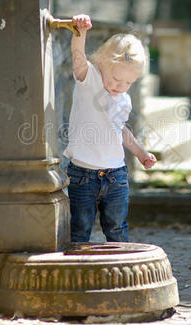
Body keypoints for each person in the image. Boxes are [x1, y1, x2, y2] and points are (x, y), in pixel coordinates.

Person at [64, 14, 157, 243]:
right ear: (102, 63)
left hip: (116, 176)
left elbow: (121, 131)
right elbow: (78, 57)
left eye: (128, 83)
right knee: (80, 229)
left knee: (117, 229)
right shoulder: (89, 79)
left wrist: (141, 154)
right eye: (116, 79)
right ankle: (78, 271)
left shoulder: (123, 99)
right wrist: (80, 32)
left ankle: (119, 270)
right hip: (83, 175)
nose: (120, 87)